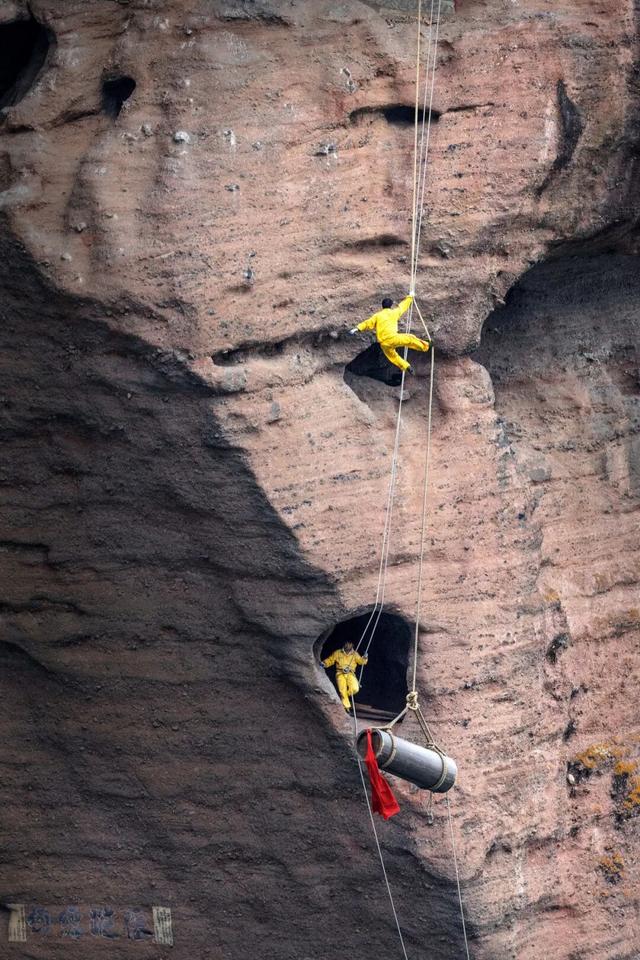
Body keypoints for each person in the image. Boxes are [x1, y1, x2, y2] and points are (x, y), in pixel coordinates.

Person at [350, 294, 430, 374]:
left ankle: (406, 366)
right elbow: (403, 306)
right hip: (393, 338)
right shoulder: (393, 313)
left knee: (393, 357)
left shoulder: (377, 316)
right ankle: (426, 346)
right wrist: (410, 297)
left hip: (384, 344)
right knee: (410, 339)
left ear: (382, 306)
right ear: (391, 305)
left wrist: (357, 328)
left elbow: (367, 323)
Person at [321, 641, 368, 711]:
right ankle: (347, 707)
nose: (348, 645)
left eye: (350, 644)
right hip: (340, 673)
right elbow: (331, 660)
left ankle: (344, 696)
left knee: (355, 688)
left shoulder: (355, 654)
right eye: (347, 643)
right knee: (342, 690)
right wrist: (324, 664)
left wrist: (365, 657)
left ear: (352, 645)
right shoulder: (338, 652)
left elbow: (361, 662)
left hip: (350, 674)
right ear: (344, 644)